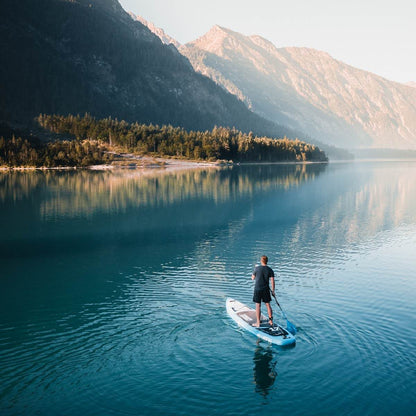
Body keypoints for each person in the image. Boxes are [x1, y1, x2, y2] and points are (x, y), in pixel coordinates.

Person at [251, 255, 275, 327]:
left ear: (261, 261)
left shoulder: (257, 268)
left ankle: (258, 323)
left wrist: (254, 272)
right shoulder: (270, 270)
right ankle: (271, 321)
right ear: (267, 261)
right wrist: (273, 291)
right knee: (268, 304)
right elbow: (272, 281)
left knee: (258, 305)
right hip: (266, 289)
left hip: (257, 289)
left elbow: (253, 278)